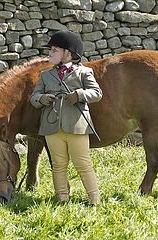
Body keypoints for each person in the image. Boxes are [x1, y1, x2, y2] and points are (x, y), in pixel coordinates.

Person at [30, 30, 103, 205]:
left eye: (55, 50)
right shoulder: (46, 75)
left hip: (77, 126)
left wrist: (79, 94)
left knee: (83, 164)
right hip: (52, 126)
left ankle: (95, 200)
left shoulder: (84, 72)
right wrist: (42, 98)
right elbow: (34, 98)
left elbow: (97, 93)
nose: (50, 53)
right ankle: (61, 199)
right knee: (58, 165)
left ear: (68, 53)